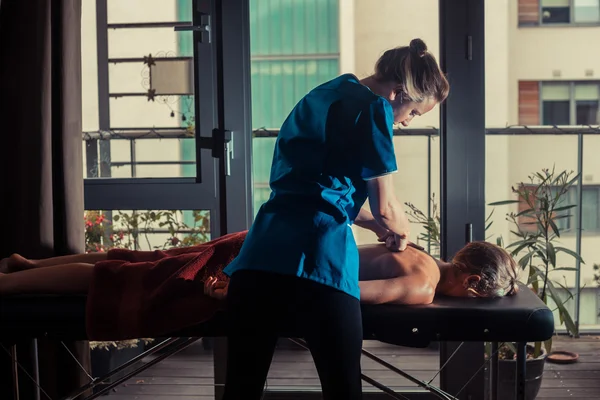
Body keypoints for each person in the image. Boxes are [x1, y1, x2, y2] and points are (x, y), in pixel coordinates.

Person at [219, 38, 448, 399]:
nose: (406, 123)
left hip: (261, 256)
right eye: (414, 113)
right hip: (317, 259)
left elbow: (317, 186)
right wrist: (399, 230)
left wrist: (373, 224)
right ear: (400, 93)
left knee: (241, 390)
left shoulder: (325, 93)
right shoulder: (375, 110)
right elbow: (386, 205)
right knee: (343, 391)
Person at [0, 232, 519, 303]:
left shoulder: (422, 252)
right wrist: (239, 293)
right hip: (266, 263)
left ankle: (29, 264)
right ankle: (10, 281)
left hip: (268, 236)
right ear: (472, 282)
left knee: (145, 260)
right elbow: (339, 292)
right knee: (132, 278)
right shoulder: (422, 285)